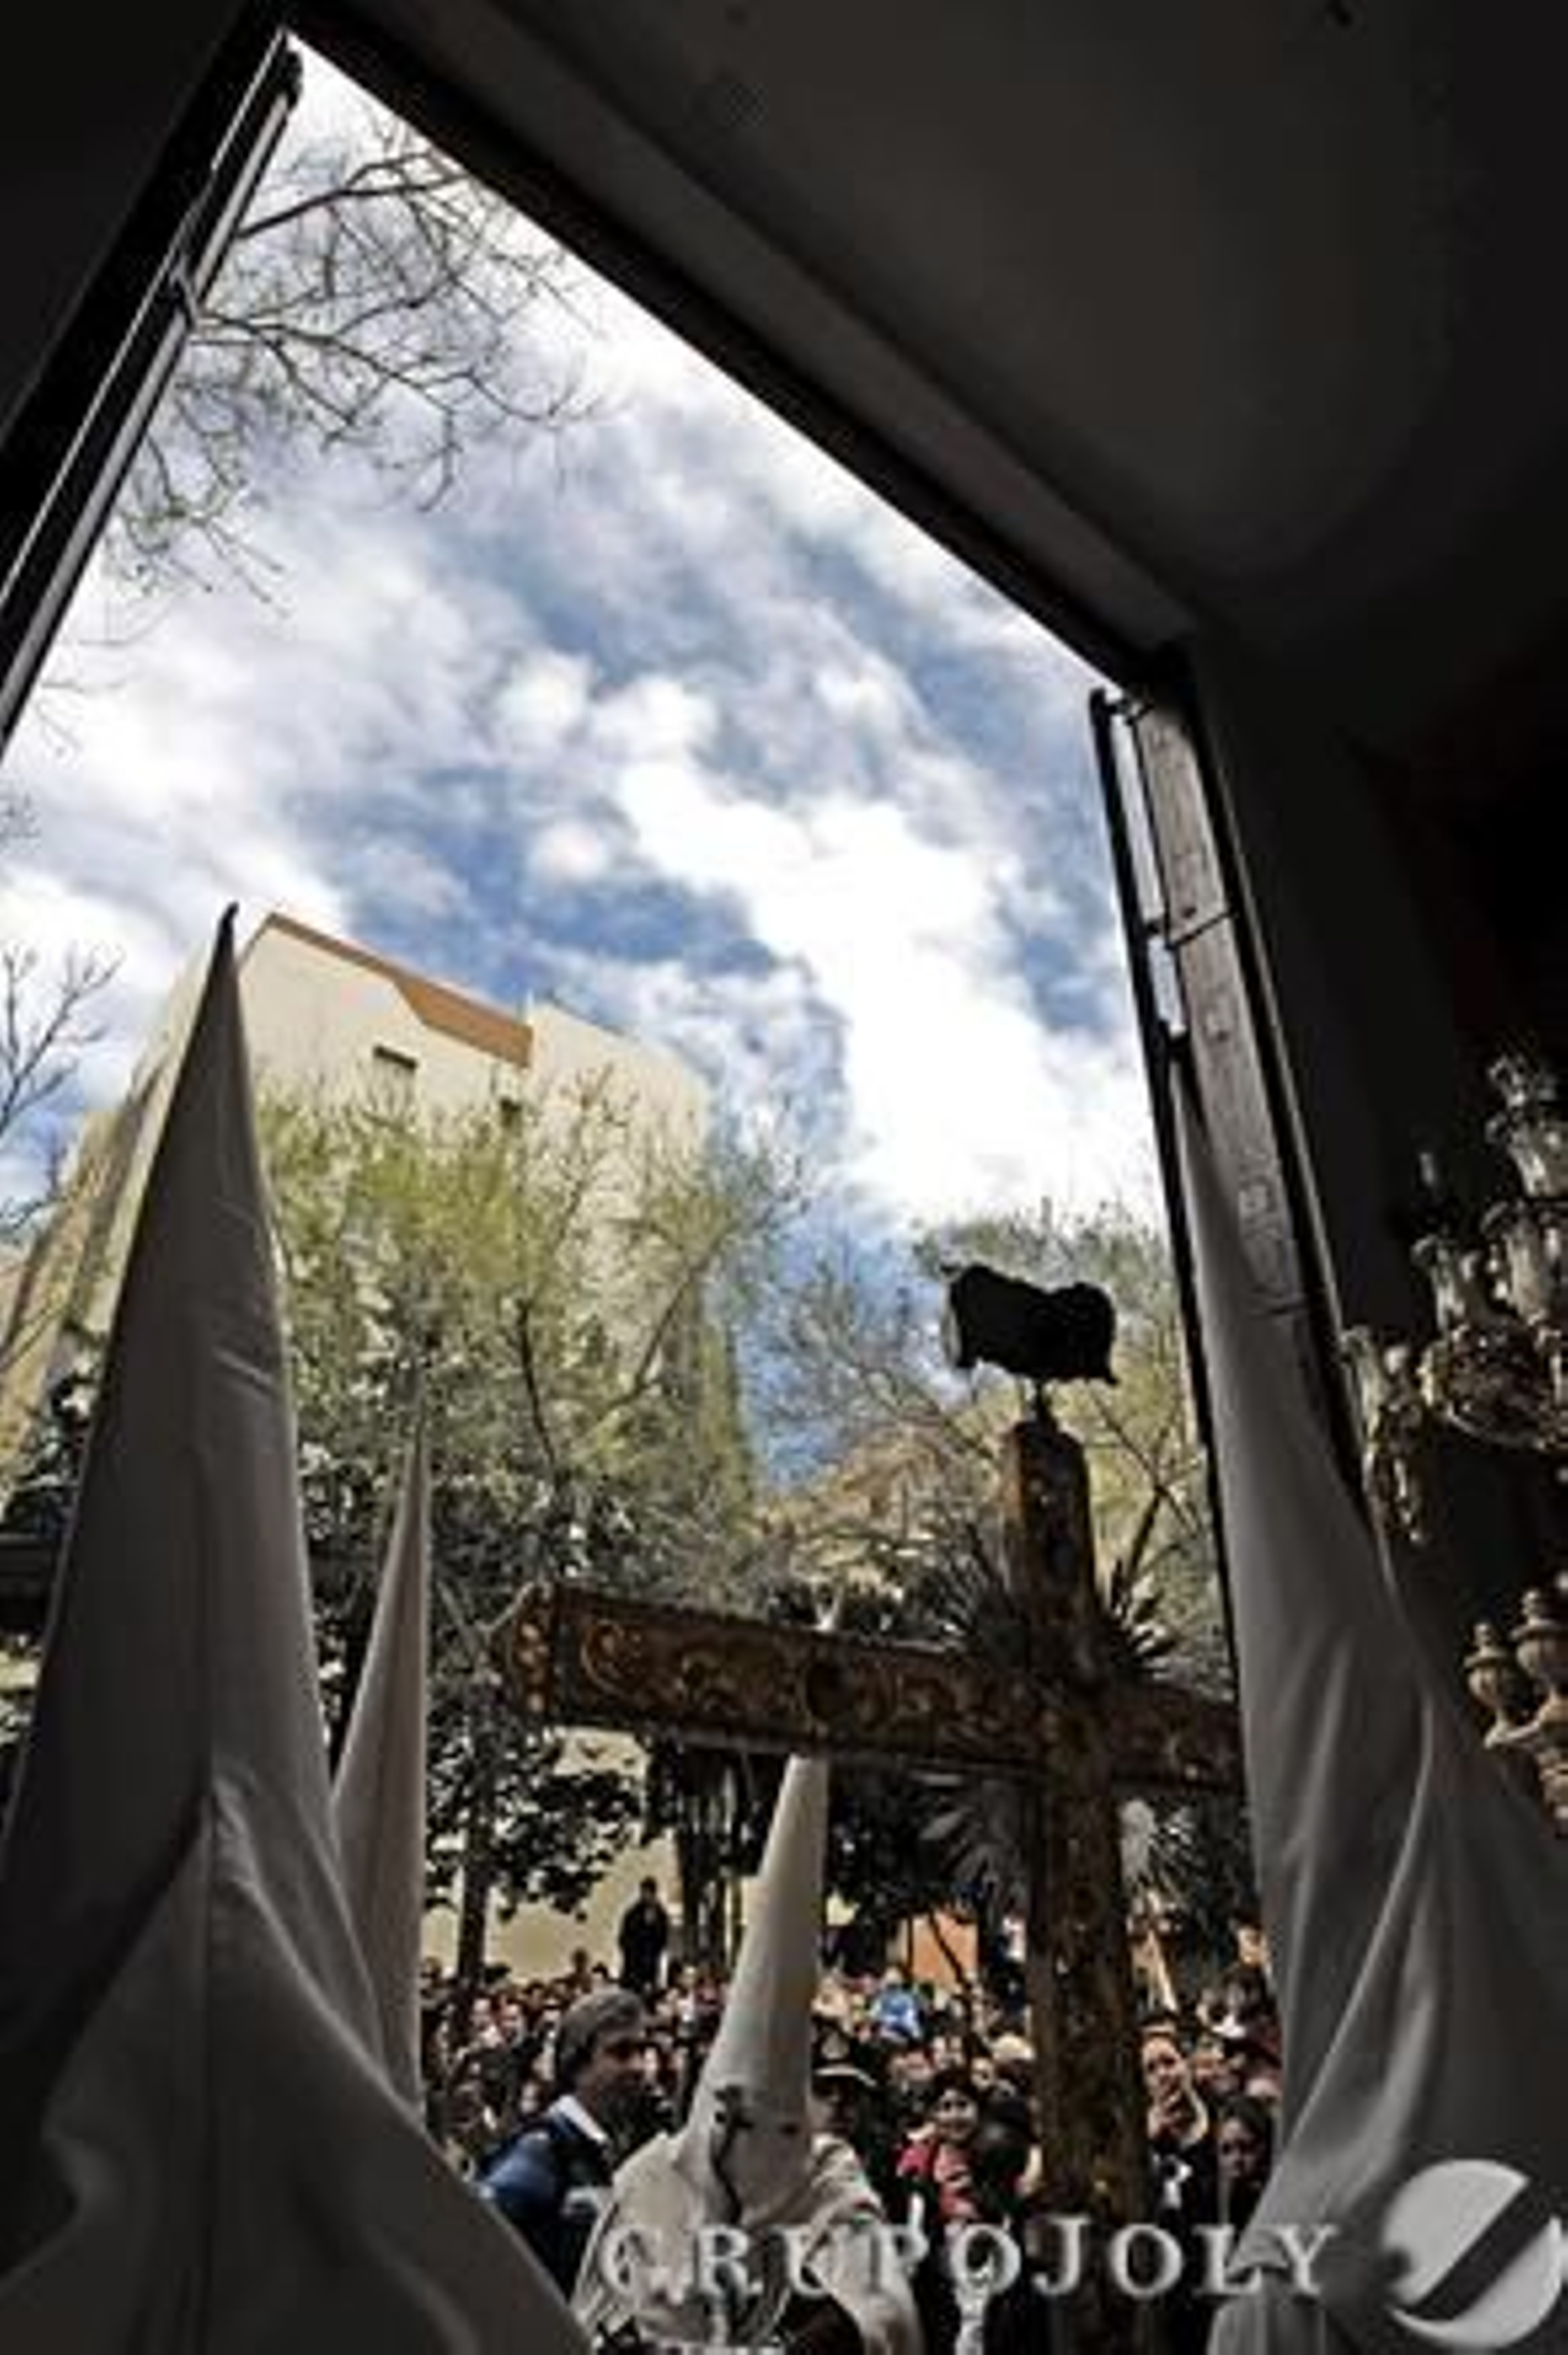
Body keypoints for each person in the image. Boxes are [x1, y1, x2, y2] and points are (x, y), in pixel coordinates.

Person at [575, 1759, 922, 2352]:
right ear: (714, 2124)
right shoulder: (648, 2180)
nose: (768, 2148)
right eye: (744, 2128)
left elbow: (885, 2312)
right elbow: (586, 2322)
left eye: (785, 2127)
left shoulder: (822, 2173)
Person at [477, 1985, 647, 2295]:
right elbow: (478, 2247)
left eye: (642, 2051)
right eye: (620, 2052)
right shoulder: (541, 2149)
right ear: (576, 2065)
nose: (638, 2067)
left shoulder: (606, 2149)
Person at [616, 1874, 671, 1999]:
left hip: (651, 1965)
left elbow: (662, 1939)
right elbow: (624, 1939)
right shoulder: (632, 1914)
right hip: (633, 1967)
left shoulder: (660, 1914)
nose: (646, 1896)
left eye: (649, 1893)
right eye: (644, 1892)